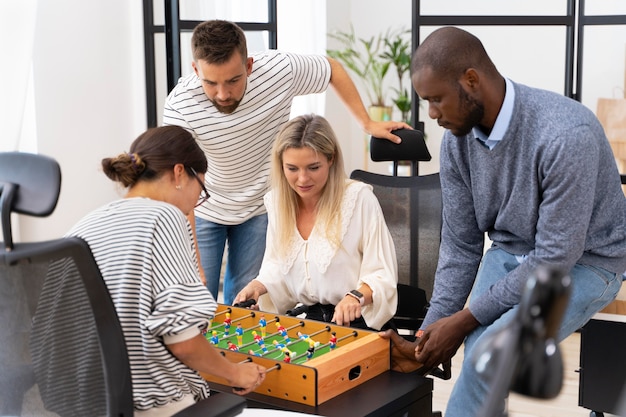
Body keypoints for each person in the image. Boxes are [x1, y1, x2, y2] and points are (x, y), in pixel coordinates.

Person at [380, 27, 626, 417]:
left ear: (471, 81)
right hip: (513, 249)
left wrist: (461, 322)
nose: (431, 114)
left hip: (586, 262)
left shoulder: (565, 134)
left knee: (486, 358)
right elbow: (461, 246)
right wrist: (429, 334)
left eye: (436, 99)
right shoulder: (457, 142)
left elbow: (553, 260)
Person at [163, 19, 410, 305]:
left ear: (249, 66)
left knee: (243, 305)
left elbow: (332, 69)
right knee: (197, 302)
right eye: (210, 83)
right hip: (206, 207)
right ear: (195, 70)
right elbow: (180, 187)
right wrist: (193, 262)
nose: (223, 94)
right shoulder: (180, 106)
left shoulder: (279, 70)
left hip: (259, 206)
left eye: (233, 80)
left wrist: (367, 123)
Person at [65, 126, 266, 416]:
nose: (196, 203)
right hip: (149, 405)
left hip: (83, 401)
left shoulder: (85, 225)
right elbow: (183, 342)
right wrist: (236, 374)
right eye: (201, 189)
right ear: (180, 173)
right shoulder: (165, 216)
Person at [233, 114, 398, 331]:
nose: (302, 179)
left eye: (313, 168)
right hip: (309, 324)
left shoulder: (359, 199)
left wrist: (355, 297)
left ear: (331, 159)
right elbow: (277, 267)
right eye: (292, 169)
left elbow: (382, 274)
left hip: (359, 325)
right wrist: (257, 286)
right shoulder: (277, 203)